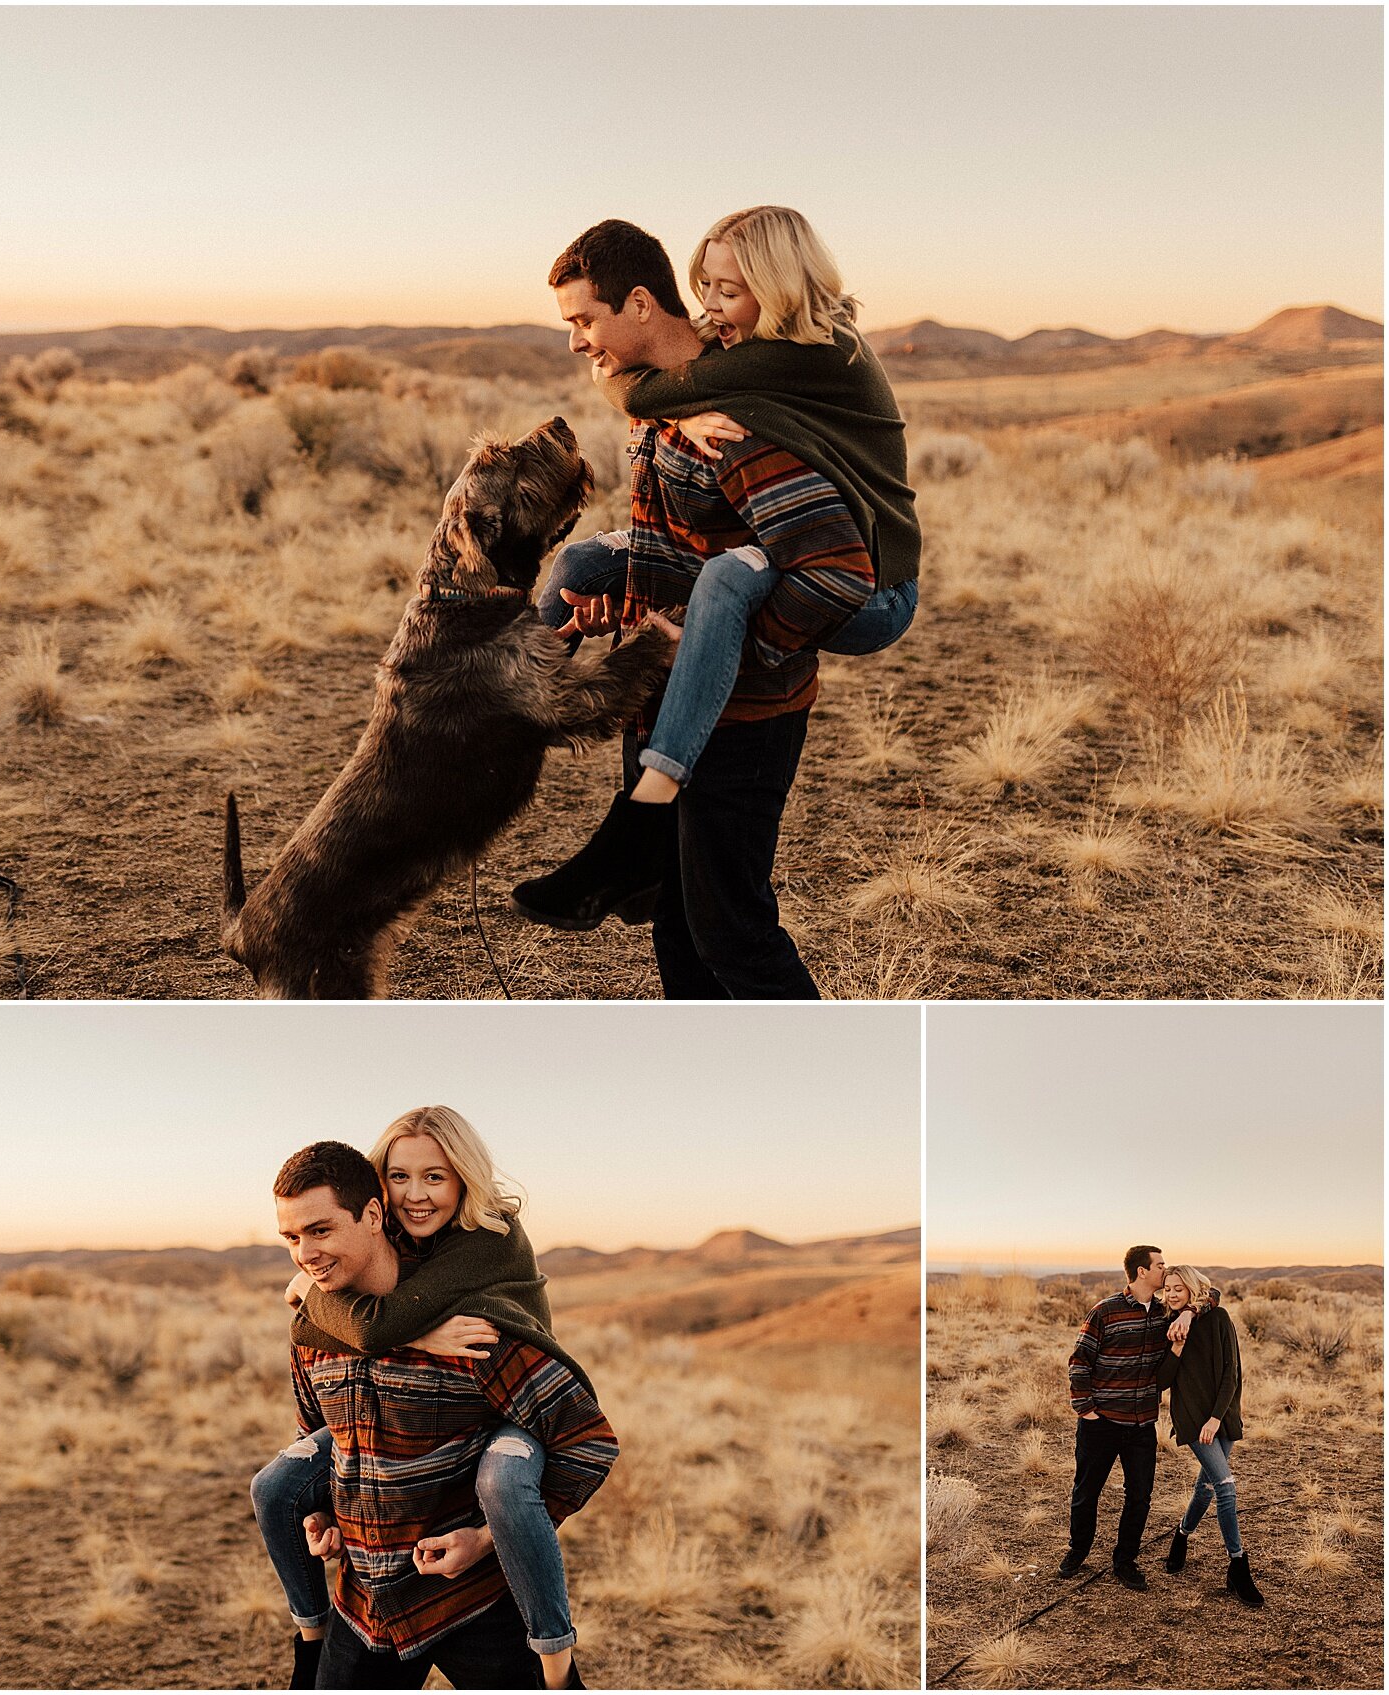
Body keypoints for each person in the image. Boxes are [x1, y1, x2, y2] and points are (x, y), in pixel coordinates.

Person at [513, 212, 919, 998]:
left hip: (749, 716)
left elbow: (833, 574)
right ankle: (508, 716)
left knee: (732, 931)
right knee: (679, 925)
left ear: (636, 306)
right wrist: (631, 614)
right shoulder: (685, 395)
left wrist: (720, 630)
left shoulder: (757, 406)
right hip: (668, 698)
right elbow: (668, 534)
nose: (574, 342)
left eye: (584, 320)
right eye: (709, 288)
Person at [264, 1131, 616, 1690]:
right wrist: (324, 1513)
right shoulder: (313, 1332)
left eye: (322, 1230)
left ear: (373, 1214)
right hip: (365, 1605)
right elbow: (318, 1431)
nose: (306, 1254)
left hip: (471, 1603)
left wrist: (485, 1537)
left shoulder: (473, 1332)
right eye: (292, 1237)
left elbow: (586, 1439)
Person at [1063, 1245, 1201, 1589]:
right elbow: (1079, 1361)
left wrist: (1190, 1312)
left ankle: (1125, 1561)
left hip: (1142, 1423)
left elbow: (1210, 1291)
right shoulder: (1105, 1311)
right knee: (1087, 1491)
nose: (1165, 1272)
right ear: (1142, 1271)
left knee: (1139, 1496)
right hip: (1102, 1422)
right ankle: (1077, 1551)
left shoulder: (1164, 1312)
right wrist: (1087, 1410)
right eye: (1160, 1266)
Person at [1157, 1264, 1263, 1606]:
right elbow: (1162, 1382)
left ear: (1191, 1290)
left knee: (1205, 1487)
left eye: (1178, 1288)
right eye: (1167, 1288)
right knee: (1225, 1487)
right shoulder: (1167, 1325)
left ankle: (1181, 1535)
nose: (1171, 1294)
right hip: (1189, 1417)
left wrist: (1217, 1418)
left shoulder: (1217, 1318)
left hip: (1222, 1415)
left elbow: (1232, 1372)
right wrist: (1175, 1347)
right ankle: (1238, 1564)